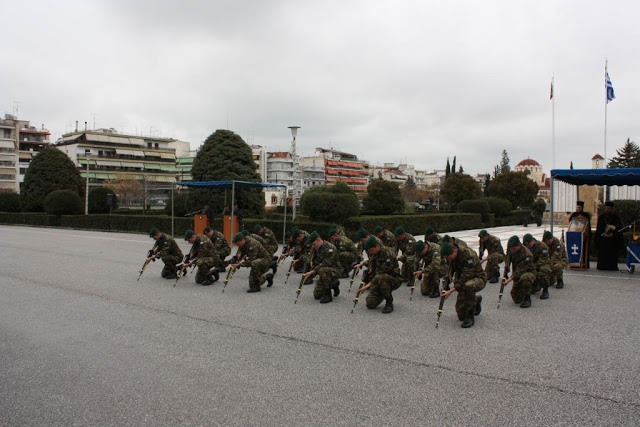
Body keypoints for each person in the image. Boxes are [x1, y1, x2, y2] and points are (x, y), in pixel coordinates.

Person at [441, 240, 486, 328]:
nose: (448, 260)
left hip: (477, 278)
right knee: (461, 315)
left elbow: (466, 277)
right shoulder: (451, 255)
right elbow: (451, 266)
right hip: (463, 280)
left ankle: (470, 316)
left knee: (469, 285)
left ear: (454, 251)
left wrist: (450, 291)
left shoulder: (468, 254)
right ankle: (476, 300)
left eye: (449, 258)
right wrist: (449, 274)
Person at [357, 236, 401, 314]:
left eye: (371, 250)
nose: (370, 252)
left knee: (381, 278)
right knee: (370, 303)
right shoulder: (375, 252)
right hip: (379, 279)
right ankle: (382, 292)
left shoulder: (388, 254)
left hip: (393, 279)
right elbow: (371, 261)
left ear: (377, 246)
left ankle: (389, 302)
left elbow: (381, 273)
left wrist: (368, 285)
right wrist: (361, 264)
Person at [303, 231, 341, 303]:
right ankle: (334, 284)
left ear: (319, 240)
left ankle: (328, 295)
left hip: (334, 270)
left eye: (314, 244)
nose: (313, 246)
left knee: (323, 270)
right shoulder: (314, 247)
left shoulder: (330, 248)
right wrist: (310, 262)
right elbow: (310, 256)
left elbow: (326, 263)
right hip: (323, 272)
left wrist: (312, 271)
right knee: (317, 295)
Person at [502, 236, 536, 308]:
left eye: (514, 249)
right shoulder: (511, 249)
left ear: (519, 245)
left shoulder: (527, 254)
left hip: (528, 272)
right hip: (517, 274)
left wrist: (509, 280)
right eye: (511, 249)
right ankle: (524, 289)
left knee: (525, 279)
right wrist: (506, 269)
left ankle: (527, 298)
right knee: (516, 298)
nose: (512, 250)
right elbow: (508, 258)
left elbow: (521, 269)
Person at [523, 233, 552, 300]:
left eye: (529, 244)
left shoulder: (542, 246)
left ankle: (545, 290)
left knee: (543, 270)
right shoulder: (524, 247)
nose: (528, 246)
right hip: (531, 265)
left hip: (542, 264)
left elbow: (544, 260)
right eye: (526, 245)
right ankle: (533, 287)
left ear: (533, 240)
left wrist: (533, 267)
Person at [596, 201, 623, 270]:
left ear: (611, 209)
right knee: (603, 253)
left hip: (612, 239)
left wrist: (613, 234)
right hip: (603, 238)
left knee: (612, 253)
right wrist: (603, 234)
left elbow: (619, 228)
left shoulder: (616, 218)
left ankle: (612, 266)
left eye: (608, 208)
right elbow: (599, 228)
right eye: (606, 208)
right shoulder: (601, 217)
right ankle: (602, 266)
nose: (607, 210)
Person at [568, 201, 591, 268]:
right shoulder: (574, 215)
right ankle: (574, 263)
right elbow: (571, 222)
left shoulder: (586, 215)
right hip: (574, 236)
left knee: (583, 250)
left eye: (579, 207)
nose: (578, 209)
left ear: (582, 208)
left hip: (582, 236)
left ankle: (583, 263)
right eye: (577, 207)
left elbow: (588, 225)